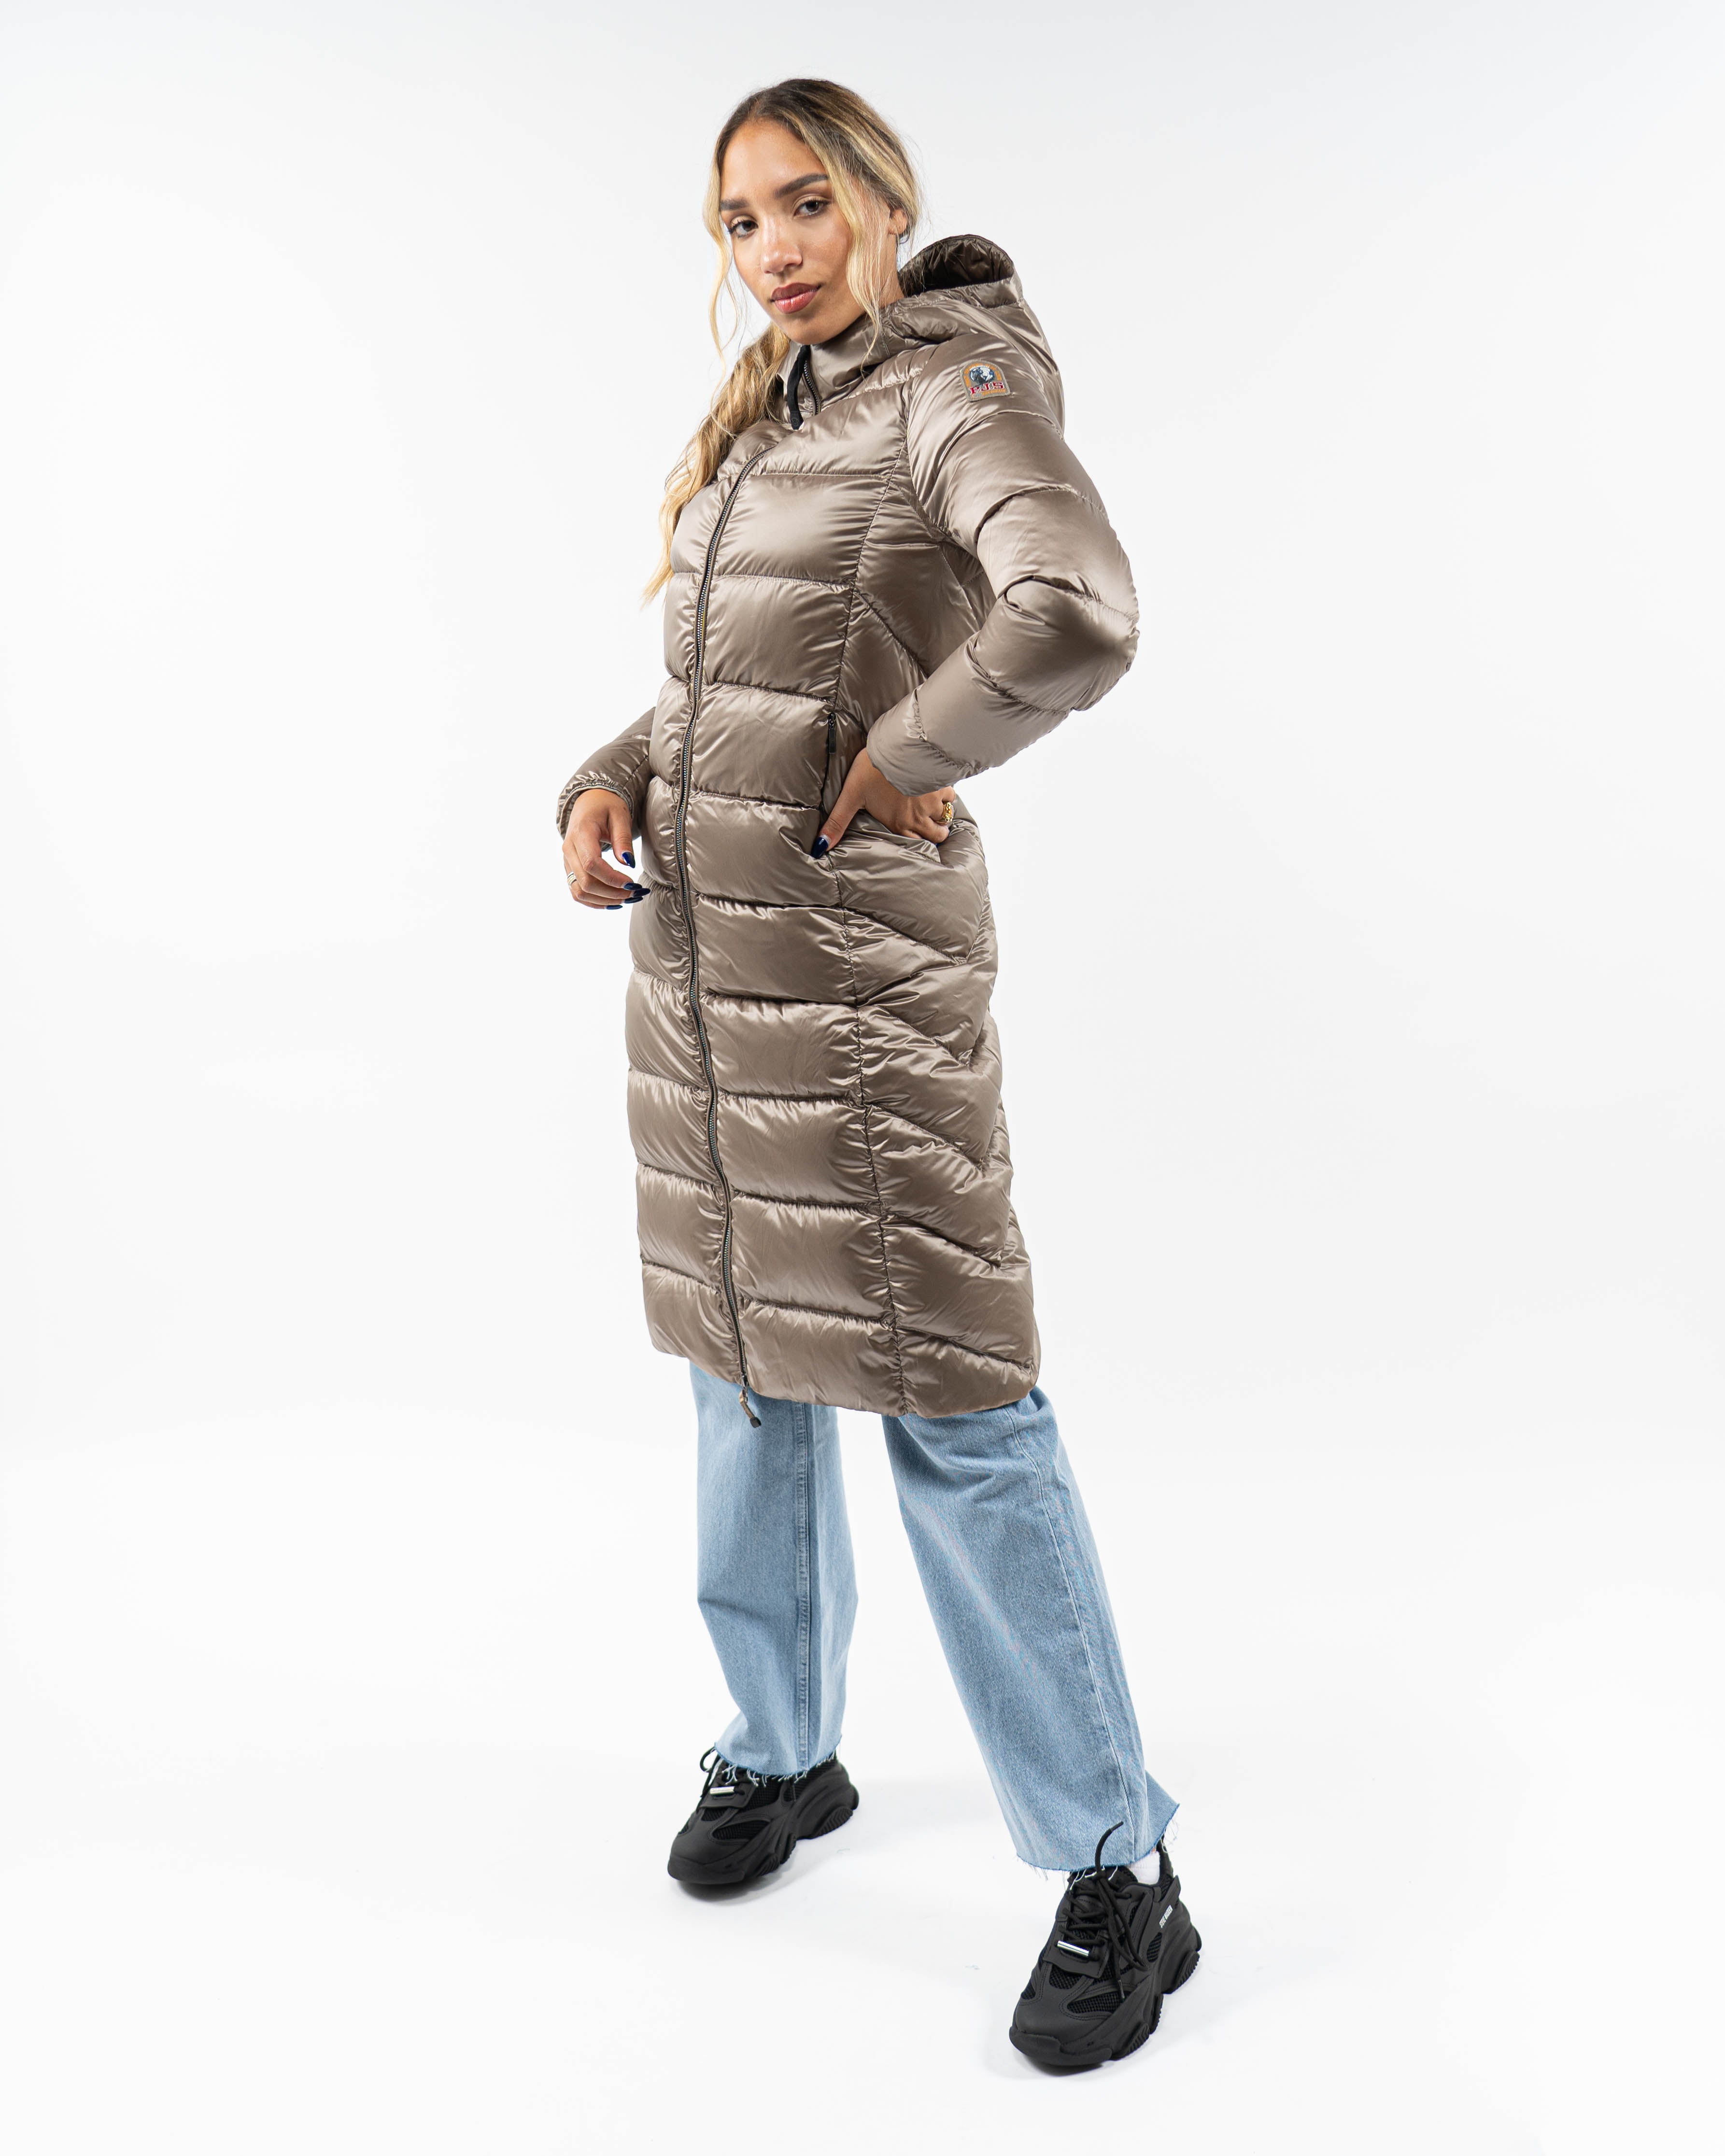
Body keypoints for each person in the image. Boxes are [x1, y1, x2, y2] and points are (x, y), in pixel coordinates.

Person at [556, 77, 1199, 2071]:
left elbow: (1076, 606)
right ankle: (783, 1747)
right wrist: (610, 774)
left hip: (848, 999)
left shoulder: (949, 388)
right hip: (704, 994)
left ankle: (1119, 1867)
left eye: (805, 201)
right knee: (744, 1377)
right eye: (739, 219)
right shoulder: (774, 415)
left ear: (882, 201)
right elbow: (736, 686)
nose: (775, 246)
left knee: (957, 1412)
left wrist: (916, 754)